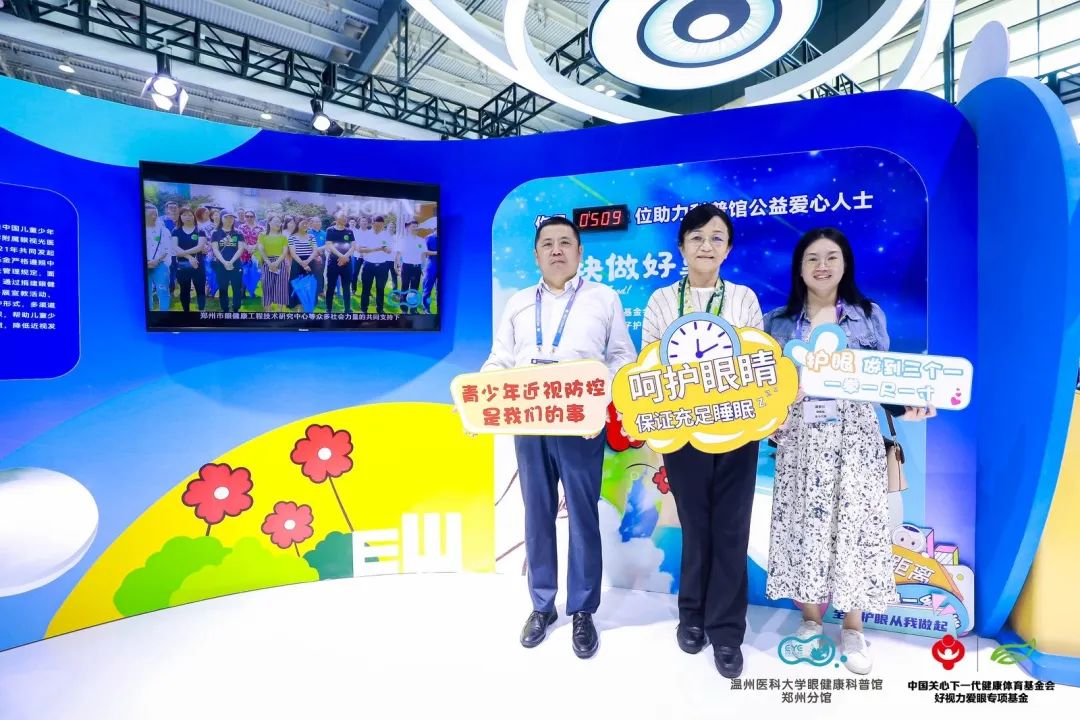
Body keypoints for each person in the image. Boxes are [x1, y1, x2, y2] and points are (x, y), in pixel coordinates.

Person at [763, 227, 935, 675]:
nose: (822, 266)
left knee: (855, 527)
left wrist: (908, 406)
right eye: (812, 258)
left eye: (831, 257)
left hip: (855, 438)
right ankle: (810, 620)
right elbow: (766, 388)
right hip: (800, 439)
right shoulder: (777, 322)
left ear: (845, 265)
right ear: (799, 267)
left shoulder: (867, 315)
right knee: (803, 526)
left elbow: (884, 381)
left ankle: (853, 627)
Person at [481, 216, 636, 659]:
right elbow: (500, 359)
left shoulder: (603, 298)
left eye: (565, 242)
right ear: (536, 254)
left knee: (583, 515)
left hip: (581, 422)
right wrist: (480, 396)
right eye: (547, 243)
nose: (556, 250)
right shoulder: (517, 303)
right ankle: (542, 605)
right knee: (537, 513)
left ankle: (583, 610)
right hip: (530, 421)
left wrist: (598, 395)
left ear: (579, 252)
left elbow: (621, 357)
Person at [640, 204, 763, 679]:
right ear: (682, 247)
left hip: (736, 429)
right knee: (695, 525)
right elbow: (649, 362)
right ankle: (691, 615)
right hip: (682, 431)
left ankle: (727, 631)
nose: (706, 246)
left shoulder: (744, 299)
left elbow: (755, 361)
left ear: (728, 249)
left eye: (716, 238)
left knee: (731, 528)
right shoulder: (661, 301)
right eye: (696, 237)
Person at [172, 206, 207, 312]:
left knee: (200, 289)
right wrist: (190, 258)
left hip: (198, 264)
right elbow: (174, 247)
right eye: (184, 215)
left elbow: (200, 247)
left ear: (194, 216)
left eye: (190, 215)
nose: (187, 217)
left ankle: (202, 311)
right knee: (184, 290)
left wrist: (183, 253)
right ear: (180, 217)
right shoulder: (176, 230)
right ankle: (186, 312)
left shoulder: (200, 230)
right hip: (182, 265)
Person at [357, 215, 394, 315]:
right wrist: (377, 249)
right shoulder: (366, 234)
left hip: (382, 266)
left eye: (381, 225)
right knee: (366, 288)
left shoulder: (386, 235)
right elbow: (360, 249)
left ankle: (380, 309)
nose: (379, 227)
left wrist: (387, 249)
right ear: (372, 224)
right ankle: (364, 309)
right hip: (368, 265)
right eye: (377, 225)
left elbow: (390, 250)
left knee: (380, 288)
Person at [211, 210, 245, 313]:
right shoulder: (216, 233)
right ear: (221, 218)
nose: (229, 219)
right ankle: (225, 309)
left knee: (237, 287)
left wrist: (231, 261)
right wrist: (225, 262)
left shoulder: (238, 232)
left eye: (231, 217)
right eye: (226, 217)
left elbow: (240, 249)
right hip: (221, 265)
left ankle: (236, 308)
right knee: (223, 288)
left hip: (236, 264)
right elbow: (215, 249)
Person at [254, 215, 290, 312]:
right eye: (276, 221)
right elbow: (261, 249)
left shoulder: (283, 237)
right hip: (267, 263)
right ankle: (268, 311)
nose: (278, 224)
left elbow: (284, 252)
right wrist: (269, 262)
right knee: (267, 286)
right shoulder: (262, 235)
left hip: (280, 263)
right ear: (269, 223)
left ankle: (279, 311)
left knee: (281, 287)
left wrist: (277, 262)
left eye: (279, 222)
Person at [324, 212, 354, 313]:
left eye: (345, 217)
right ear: (336, 218)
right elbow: (329, 245)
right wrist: (341, 256)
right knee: (331, 286)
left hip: (347, 263)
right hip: (333, 263)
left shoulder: (349, 231)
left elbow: (353, 246)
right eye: (342, 217)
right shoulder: (330, 230)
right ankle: (329, 309)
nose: (345, 219)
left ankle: (347, 309)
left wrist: (345, 257)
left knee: (346, 287)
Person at [145, 203, 172, 311]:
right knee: (146, 292)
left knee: (163, 291)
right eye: (150, 214)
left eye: (155, 214)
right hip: (143, 266)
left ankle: (164, 316)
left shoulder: (164, 231)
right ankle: (149, 315)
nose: (154, 217)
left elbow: (167, 249)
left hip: (160, 265)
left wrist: (156, 260)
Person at [287, 217, 317, 312]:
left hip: (310, 262)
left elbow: (315, 250)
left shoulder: (311, 236)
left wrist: (307, 261)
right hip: (297, 263)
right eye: (303, 223)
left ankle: (307, 306)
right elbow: (293, 253)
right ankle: (297, 307)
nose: (305, 225)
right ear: (297, 224)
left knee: (309, 285)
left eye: (306, 223)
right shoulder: (292, 237)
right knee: (297, 285)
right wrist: (303, 264)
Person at [398, 220, 425, 314]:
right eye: (413, 226)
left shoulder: (421, 240)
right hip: (406, 267)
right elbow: (398, 254)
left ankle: (413, 309)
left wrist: (423, 267)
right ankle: (404, 309)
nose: (415, 228)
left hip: (417, 268)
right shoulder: (403, 240)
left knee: (414, 288)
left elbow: (423, 254)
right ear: (408, 228)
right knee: (405, 287)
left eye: (416, 226)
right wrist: (397, 266)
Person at [238, 210, 264, 299]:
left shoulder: (261, 228)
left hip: (256, 254)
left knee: (254, 273)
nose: (249, 218)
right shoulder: (241, 227)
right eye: (247, 216)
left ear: (254, 217)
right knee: (244, 273)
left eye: (251, 216)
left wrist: (254, 247)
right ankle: (242, 292)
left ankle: (252, 291)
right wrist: (247, 248)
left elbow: (261, 240)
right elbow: (240, 239)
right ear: (245, 217)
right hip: (243, 253)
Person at [421, 225, 438, 314]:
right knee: (428, 288)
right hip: (431, 264)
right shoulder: (429, 238)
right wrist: (436, 252)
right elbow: (424, 252)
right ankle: (426, 308)